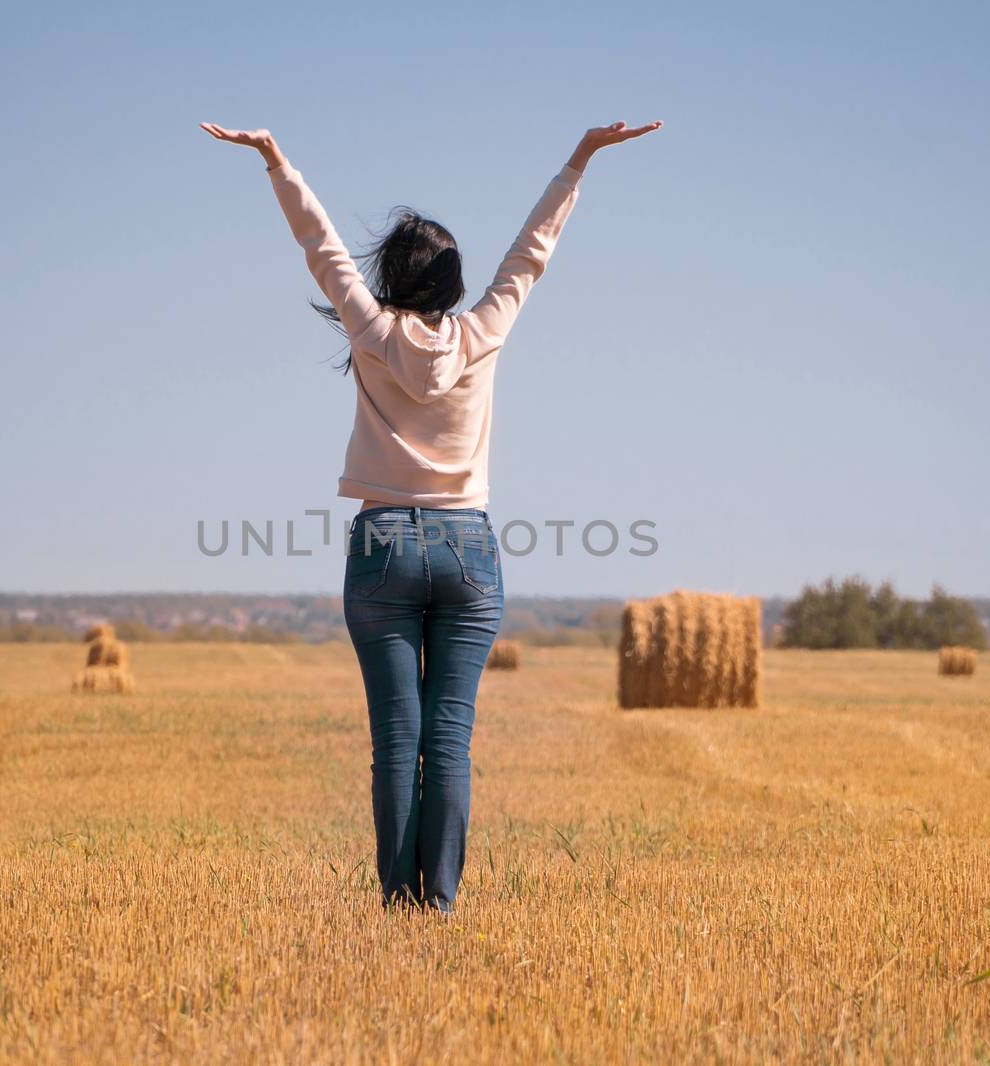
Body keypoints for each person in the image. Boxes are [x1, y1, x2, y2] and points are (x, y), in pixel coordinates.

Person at [199, 118, 663, 912]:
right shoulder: (482, 334)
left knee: (396, 743)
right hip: (466, 550)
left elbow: (320, 245)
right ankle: (438, 902)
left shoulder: (371, 331)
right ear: (451, 282)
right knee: (449, 740)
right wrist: (579, 158)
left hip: (382, 545)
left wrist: (276, 160)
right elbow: (531, 255)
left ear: (394, 275)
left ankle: (396, 901)